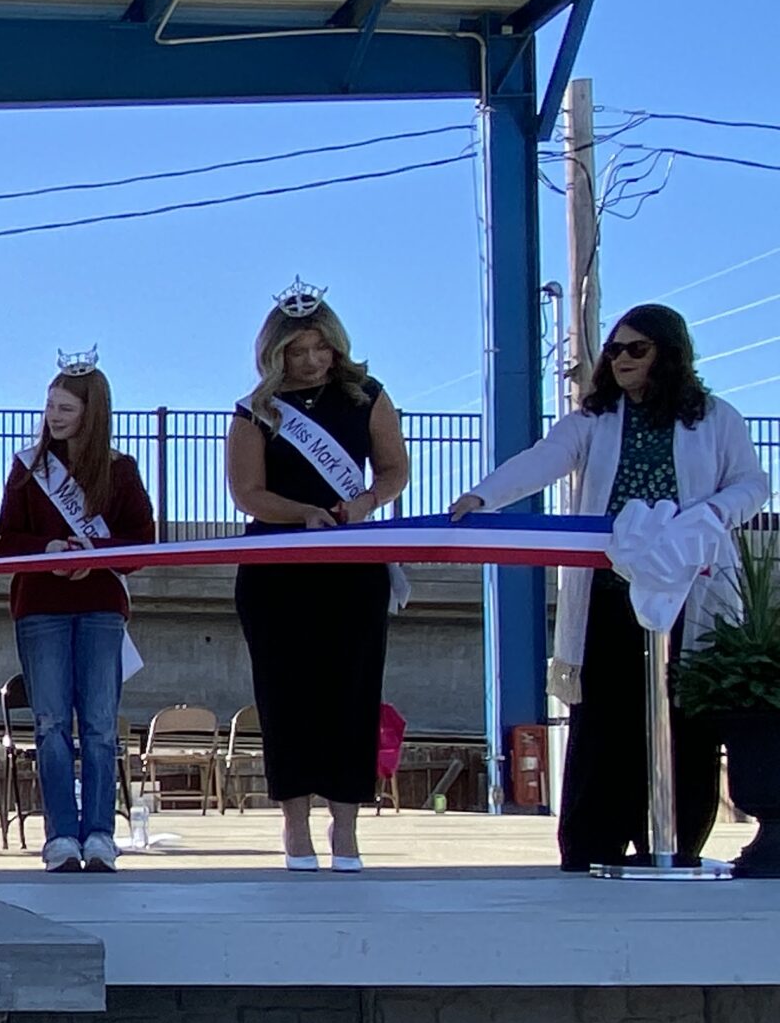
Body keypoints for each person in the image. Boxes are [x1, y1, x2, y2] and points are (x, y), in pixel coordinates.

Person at [452, 302, 770, 868]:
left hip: (688, 589)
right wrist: (482, 498)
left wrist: (709, 515)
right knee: (605, 719)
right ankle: (592, 844)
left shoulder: (715, 418)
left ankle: (671, 843)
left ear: (667, 354)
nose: (621, 359)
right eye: (615, 349)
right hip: (609, 588)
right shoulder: (594, 420)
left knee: (683, 719)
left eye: (636, 349)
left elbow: (751, 483)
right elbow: (542, 460)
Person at [225, 283, 410, 874]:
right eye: (296, 351)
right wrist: (297, 515)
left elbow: (394, 469)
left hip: (350, 565)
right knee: (286, 696)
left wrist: (366, 502)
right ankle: (296, 827)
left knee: (351, 693)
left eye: (318, 349)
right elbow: (246, 493)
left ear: (335, 346)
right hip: (278, 569)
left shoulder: (366, 396)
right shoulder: (256, 411)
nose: (309, 361)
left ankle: (347, 828)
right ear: (274, 353)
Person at [0, 355, 157, 872]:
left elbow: (141, 543)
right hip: (40, 606)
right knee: (49, 724)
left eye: (65, 407)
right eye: (50, 405)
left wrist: (94, 558)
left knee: (101, 726)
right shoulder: (27, 468)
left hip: (101, 608)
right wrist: (51, 548)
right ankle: (60, 835)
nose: (54, 415)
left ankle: (101, 835)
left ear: (93, 412)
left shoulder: (120, 470)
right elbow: (7, 542)